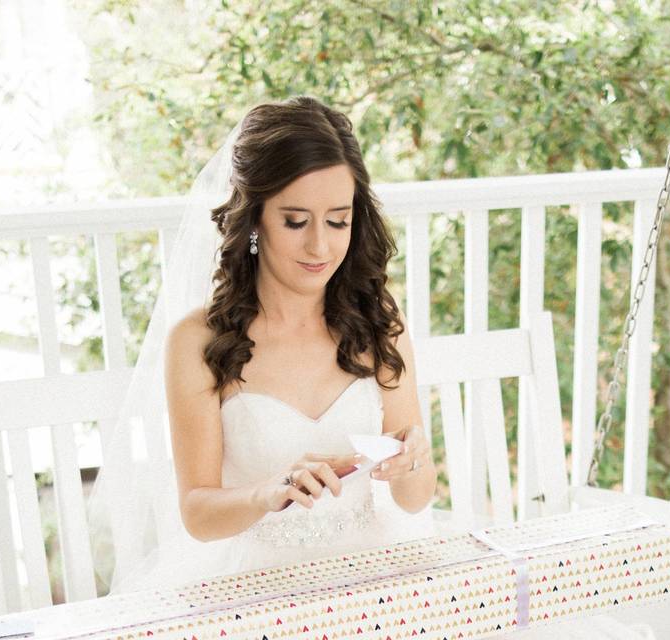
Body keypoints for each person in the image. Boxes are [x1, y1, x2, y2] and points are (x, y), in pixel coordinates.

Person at [89, 95, 437, 594]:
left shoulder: (378, 319)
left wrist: (412, 463)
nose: (320, 247)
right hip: (256, 588)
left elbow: (416, 496)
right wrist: (266, 493)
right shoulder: (199, 342)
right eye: (295, 221)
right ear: (253, 221)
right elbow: (197, 513)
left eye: (338, 220)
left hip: (368, 581)